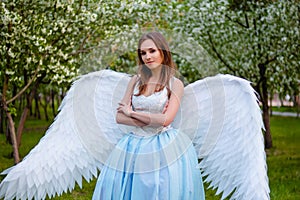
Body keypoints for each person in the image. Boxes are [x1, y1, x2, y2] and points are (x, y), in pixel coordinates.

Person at [91, 32, 205, 199]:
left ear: (163, 52)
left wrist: (132, 113)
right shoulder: (136, 81)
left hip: (163, 145)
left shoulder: (175, 84)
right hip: (134, 144)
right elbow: (119, 118)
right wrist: (150, 119)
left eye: (152, 51)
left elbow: (166, 120)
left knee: (160, 189)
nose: (147, 56)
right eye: (143, 53)